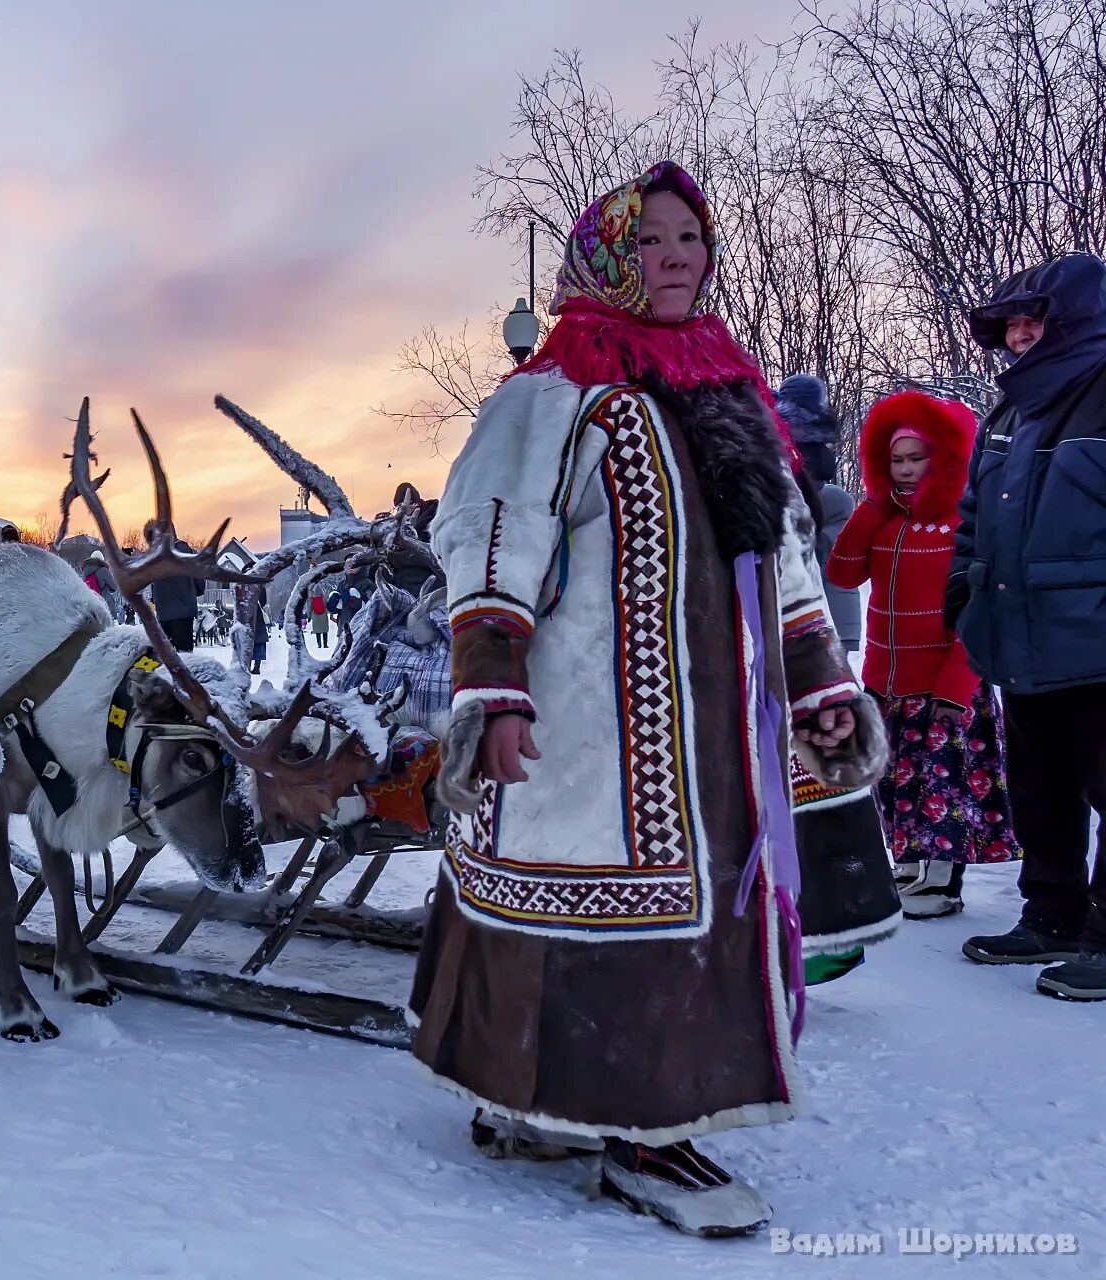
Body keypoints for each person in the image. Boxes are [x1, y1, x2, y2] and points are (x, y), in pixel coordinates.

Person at [422, 162, 881, 1235]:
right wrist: (493, 685)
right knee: (583, 890)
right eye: (655, 240)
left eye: (691, 239)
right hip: (588, 727)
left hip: (722, 727)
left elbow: (790, 554)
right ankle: (620, 1124)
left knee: (702, 898)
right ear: (609, 254)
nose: (679, 258)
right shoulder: (552, 392)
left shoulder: (727, 391)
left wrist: (818, 677)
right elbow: (491, 529)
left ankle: (616, 1111)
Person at [949, 252, 1106, 1000]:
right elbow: (975, 515)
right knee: (1039, 790)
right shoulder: (1008, 412)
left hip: (1097, 638)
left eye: (1031, 321)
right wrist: (962, 586)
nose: (1016, 336)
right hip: (1023, 631)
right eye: (1009, 324)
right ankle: (1052, 914)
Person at [827, 391, 1019, 919]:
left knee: (943, 781)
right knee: (896, 781)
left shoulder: (962, 525)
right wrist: (871, 507)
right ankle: (910, 865)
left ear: (945, 459)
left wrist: (957, 688)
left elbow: (973, 615)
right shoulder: (886, 521)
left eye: (918, 459)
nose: (906, 470)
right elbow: (843, 572)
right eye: (896, 460)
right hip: (888, 685)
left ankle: (943, 879)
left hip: (943, 687)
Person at [776, 375, 862, 653]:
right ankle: (839, 632)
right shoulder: (795, 435)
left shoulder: (767, 427)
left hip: (796, 502)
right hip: (791, 502)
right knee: (829, 564)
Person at [143, 523, 199, 650]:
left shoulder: (154, 558)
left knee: (167, 656)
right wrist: (194, 591)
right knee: (185, 656)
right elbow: (199, 576)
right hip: (184, 609)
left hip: (163, 612)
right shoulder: (183, 549)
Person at [235, 582, 268, 674]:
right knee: (256, 638)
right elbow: (263, 602)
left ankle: (250, 666)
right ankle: (254, 666)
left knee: (250, 638)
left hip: (245, 611)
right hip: (251, 611)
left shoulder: (241, 583)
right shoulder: (256, 583)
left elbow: (263, 602)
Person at [80, 549, 121, 620]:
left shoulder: (85, 572)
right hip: (105, 601)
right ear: (101, 560)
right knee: (111, 625)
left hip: (91, 602)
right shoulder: (103, 570)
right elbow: (114, 586)